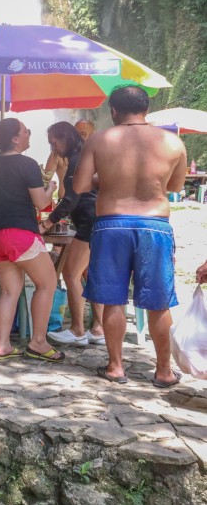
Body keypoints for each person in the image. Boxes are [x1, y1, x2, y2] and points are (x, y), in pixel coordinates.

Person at [72, 85, 187, 387]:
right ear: (146, 108)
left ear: (113, 110)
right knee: (159, 303)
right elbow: (174, 187)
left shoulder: (100, 139)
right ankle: (163, 371)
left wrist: (108, 176)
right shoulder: (172, 142)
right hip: (155, 225)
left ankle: (115, 367)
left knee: (113, 300)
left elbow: (81, 186)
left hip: (112, 224)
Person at [0, 118, 62, 363]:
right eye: (25, 131)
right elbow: (41, 203)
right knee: (47, 284)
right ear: (14, 138)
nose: (29, 134)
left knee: (9, 291)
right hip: (20, 233)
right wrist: (51, 188)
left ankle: (3, 346)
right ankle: (38, 342)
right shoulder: (27, 164)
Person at [39, 122, 105, 347]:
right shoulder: (85, 156)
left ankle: (77, 330)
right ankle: (97, 329)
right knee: (91, 274)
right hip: (96, 222)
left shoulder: (77, 161)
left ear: (66, 138)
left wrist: (48, 222)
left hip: (89, 223)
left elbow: (72, 197)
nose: (53, 146)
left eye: (54, 141)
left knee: (70, 273)